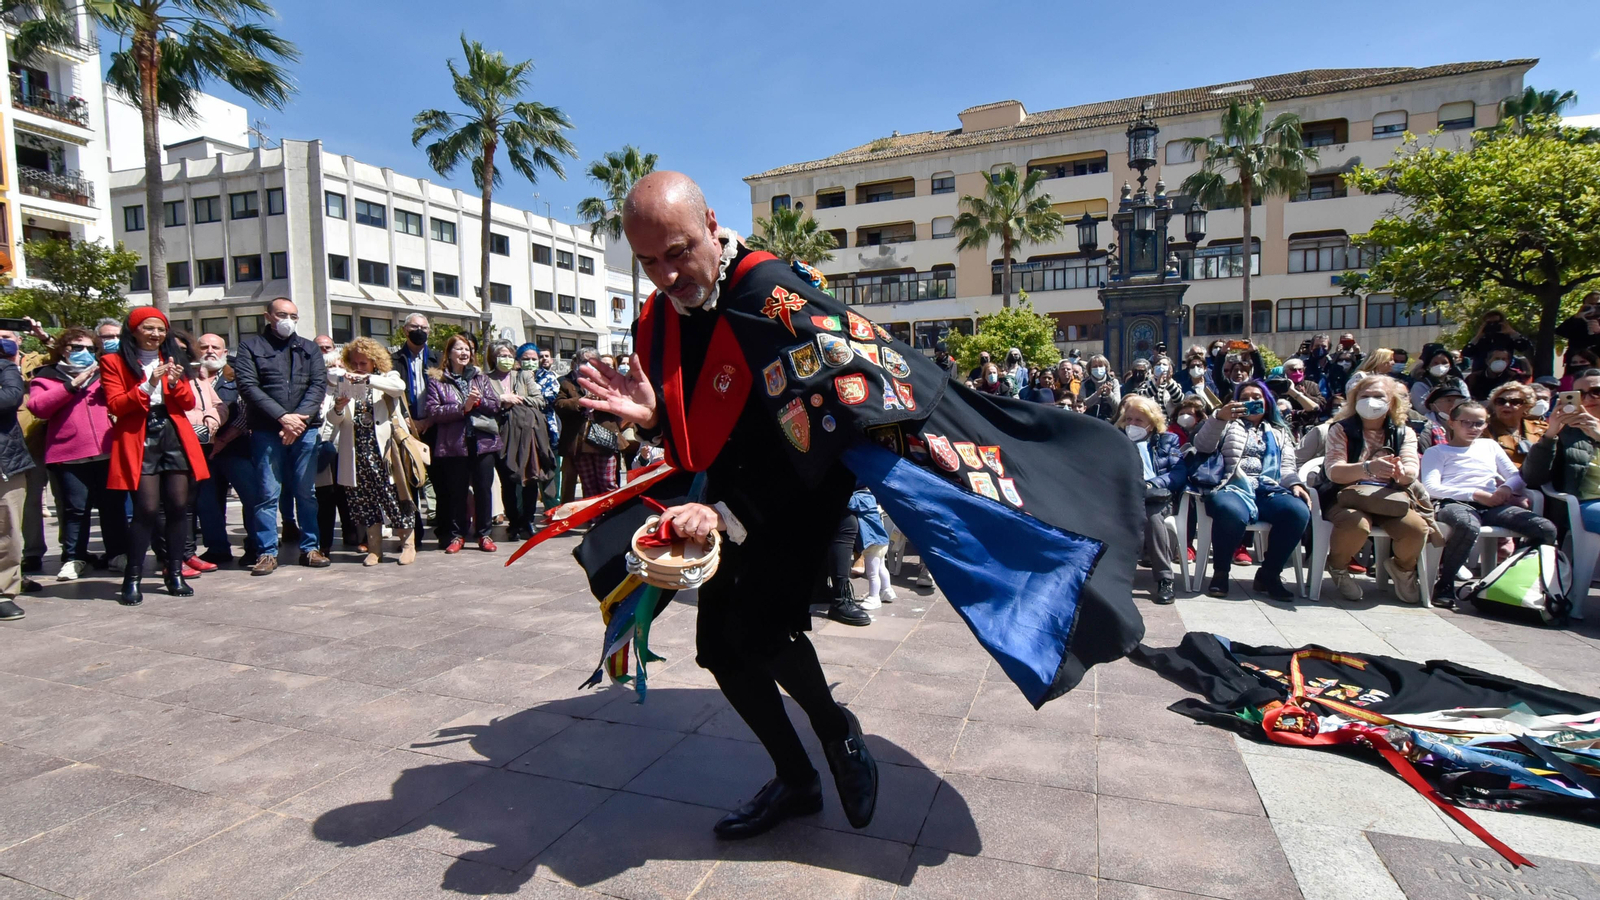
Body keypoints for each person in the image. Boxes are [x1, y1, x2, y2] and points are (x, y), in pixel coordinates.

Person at [102, 307, 210, 604]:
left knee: (178, 505)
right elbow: (116, 404)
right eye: (148, 328)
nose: (156, 334)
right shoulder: (113, 362)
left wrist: (174, 383)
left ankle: (174, 572)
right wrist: (150, 383)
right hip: (139, 434)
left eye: (160, 329)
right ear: (134, 330)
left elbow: (187, 402)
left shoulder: (174, 359)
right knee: (147, 509)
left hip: (173, 433)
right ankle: (133, 577)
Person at [1420, 401, 1557, 605]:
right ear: (1452, 422)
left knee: (1545, 528)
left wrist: (1506, 488)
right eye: (1466, 422)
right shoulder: (1438, 452)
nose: (1473, 428)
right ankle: (1446, 583)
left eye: (1479, 423)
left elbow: (1516, 475)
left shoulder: (1490, 446)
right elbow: (1431, 487)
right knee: (1467, 525)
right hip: (1454, 502)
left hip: (1492, 504)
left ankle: (1518, 578)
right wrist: (1475, 494)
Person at [1193, 380, 1311, 600]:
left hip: (1268, 488)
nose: (1251, 402)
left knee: (1298, 511)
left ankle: (1269, 574)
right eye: (1244, 398)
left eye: (1256, 397)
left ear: (1267, 402)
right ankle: (1221, 572)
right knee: (1230, 511)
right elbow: (1202, 446)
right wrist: (1219, 418)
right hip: (1233, 485)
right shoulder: (1227, 424)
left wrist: (1295, 483)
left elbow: (1287, 467)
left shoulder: (1279, 431)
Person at [27, 328, 127, 581]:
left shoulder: (105, 374)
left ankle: (117, 554)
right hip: (68, 456)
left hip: (107, 453)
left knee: (112, 507)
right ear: (63, 349)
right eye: (77, 347)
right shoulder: (46, 376)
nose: (84, 353)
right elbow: (39, 407)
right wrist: (73, 384)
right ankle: (74, 557)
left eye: (90, 349)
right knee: (75, 510)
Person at [1322, 375, 1427, 603]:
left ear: (1391, 401)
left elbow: (1411, 469)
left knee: (1416, 528)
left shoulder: (1403, 432)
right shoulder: (1340, 429)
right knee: (1356, 524)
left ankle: (1402, 568)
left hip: (1388, 498)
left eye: (1378, 396)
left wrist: (1401, 473)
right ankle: (1338, 567)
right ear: (1354, 399)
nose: (1371, 401)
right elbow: (1334, 471)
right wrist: (1368, 468)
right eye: (1365, 396)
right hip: (1346, 497)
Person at [326, 337, 411, 565]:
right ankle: (374, 549)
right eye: (354, 363)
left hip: (383, 452)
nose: (358, 368)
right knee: (365, 502)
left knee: (393, 497)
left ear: (374, 362)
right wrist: (339, 406)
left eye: (364, 363)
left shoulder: (386, 378)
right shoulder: (346, 384)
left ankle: (407, 544)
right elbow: (333, 420)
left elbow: (398, 388)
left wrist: (368, 379)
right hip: (356, 452)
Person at [424, 334, 501, 553]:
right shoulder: (437, 381)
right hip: (453, 445)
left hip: (482, 443)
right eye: (459, 349)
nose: (464, 353)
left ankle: (484, 534)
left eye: (467, 349)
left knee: (483, 490)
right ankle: (457, 535)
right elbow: (434, 412)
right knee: (456, 492)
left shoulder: (480, 377)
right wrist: (462, 408)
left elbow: (495, 406)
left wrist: (479, 401)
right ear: (448, 353)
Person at [1117, 395, 1183, 604]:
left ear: (1151, 424)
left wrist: (1153, 483)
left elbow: (1178, 472)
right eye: (1129, 419)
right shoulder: (1117, 440)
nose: (1132, 424)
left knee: (1153, 518)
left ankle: (1164, 579)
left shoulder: (1167, 440)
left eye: (1139, 420)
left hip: (1155, 498)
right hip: (1124, 496)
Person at [189, 333, 244, 565]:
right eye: (204, 347)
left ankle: (256, 546)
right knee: (207, 502)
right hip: (202, 453)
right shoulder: (188, 379)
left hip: (236, 448)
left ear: (224, 352)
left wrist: (223, 440)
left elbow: (245, 411)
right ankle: (217, 548)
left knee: (251, 499)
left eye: (216, 347)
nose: (210, 351)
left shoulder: (237, 377)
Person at [0, 328, 34, 621]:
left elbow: (11, 398)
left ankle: (3, 591)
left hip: (5, 462)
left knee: (8, 531)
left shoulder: (6, 368)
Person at [847, 485, 895, 609]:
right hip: (880, 541)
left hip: (872, 542)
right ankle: (887, 591)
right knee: (881, 568)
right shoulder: (870, 497)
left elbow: (849, 503)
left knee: (872, 573)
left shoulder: (860, 497)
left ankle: (874, 597)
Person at [1485, 381, 1546, 467]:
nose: (1506, 405)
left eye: (1515, 402)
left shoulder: (1541, 428)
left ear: (1527, 406)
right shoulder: (1484, 430)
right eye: (1500, 401)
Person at [1462, 310, 1533, 371]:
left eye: (1496, 322)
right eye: (1489, 323)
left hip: (1504, 373)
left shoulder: (1507, 337)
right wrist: (1478, 336)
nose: (1492, 325)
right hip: (1481, 374)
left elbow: (1524, 347)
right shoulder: (1480, 339)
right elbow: (1466, 353)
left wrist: (1512, 332)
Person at [1408, 343, 1469, 413]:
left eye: (1444, 362)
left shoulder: (1458, 382)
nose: (1440, 366)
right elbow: (1423, 409)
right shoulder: (1420, 385)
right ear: (1428, 366)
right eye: (1435, 363)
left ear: (1450, 366)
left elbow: (1467, 403)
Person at [1080, 354, 1120, 420]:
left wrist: (1109, 394)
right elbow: (1082, 404)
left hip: (1109, 420)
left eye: (1100, 366)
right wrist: (1097, 394)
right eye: (1095, 366)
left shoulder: (1114, 382)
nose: (1098, 368)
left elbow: (1118, 406)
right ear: (1090, 369)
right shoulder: (1085, 383)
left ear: (1106, 367)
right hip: (1090, 419)